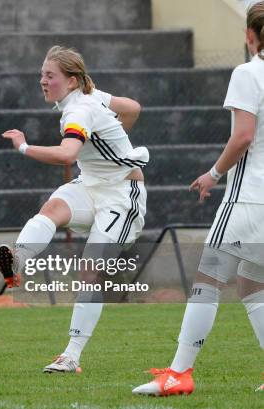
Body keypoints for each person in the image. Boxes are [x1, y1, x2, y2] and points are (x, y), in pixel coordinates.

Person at [133, 1, 264, 396]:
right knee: (252, 285)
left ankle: (178, 372)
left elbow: (243, 136)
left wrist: (213, 173)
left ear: (250, 36)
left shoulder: (248, 72)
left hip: (248, 199)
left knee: (207, 279)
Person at [0, 46, 147, 373]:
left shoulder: (79, 109)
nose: (43, 81)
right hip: (91, 183)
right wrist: (116, 141)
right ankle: (17, 261)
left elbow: (67, 155)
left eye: (50, 76)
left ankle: (72, 355)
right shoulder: (91, 96)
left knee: (90, 267)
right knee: (52, 209)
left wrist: (23, 146)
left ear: (73, 80)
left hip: (122, 194)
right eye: (41, 75)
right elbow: (133, 108)